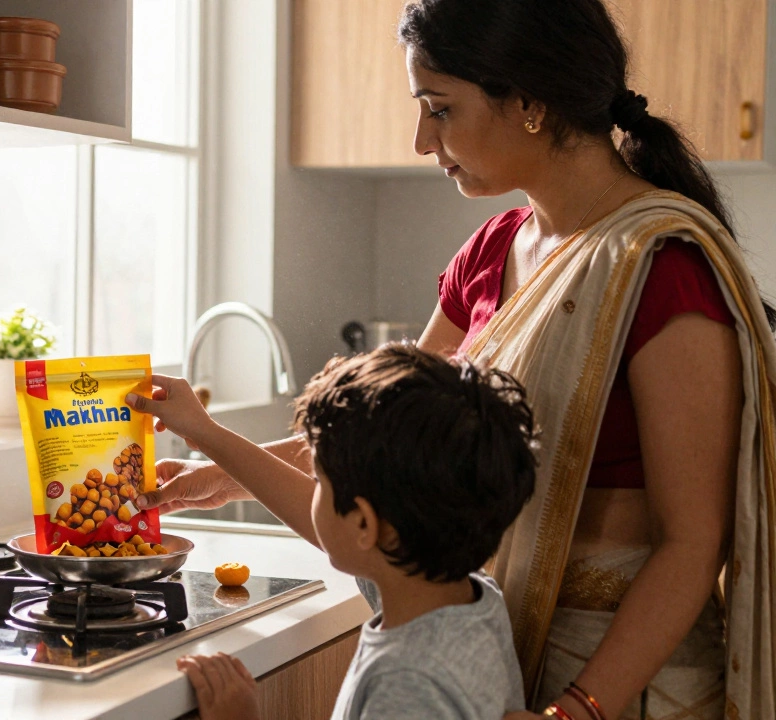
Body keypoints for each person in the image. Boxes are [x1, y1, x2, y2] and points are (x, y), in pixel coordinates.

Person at [138, 1, 776, 717]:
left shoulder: (662, 270)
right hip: (507, 643)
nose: (421, 140)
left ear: (530, 103)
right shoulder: (491, 251)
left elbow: (694, 544)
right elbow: (391, 436)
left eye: (438, 108)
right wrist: (223, 474)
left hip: (624, 680)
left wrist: (575, 711)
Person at [138, 345, 538, 719]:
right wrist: (206, 434)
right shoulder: (462, 594)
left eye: (320, 482)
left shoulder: (406, 685)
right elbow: (330, 524)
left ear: (363, 524)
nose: (311, 494)